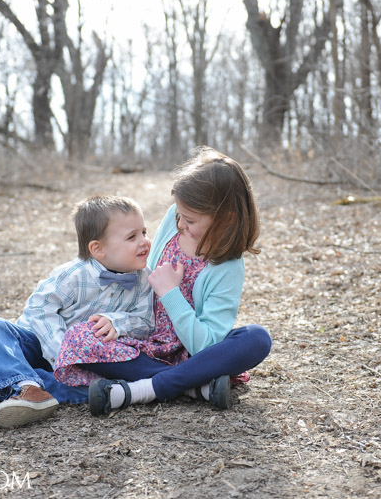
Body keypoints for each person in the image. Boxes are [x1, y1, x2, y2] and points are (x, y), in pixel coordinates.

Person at [82, 146, 272, 415]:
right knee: (83, 337)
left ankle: (143, 390)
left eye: (191, 219)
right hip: (142, 339)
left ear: (225, 219)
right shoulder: (174, 220)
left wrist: (171, 293)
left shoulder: (228, 267)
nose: (181, 223)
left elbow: (205, 345)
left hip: (192, 354)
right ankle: (194, 386)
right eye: (179, 214)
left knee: (257, 338)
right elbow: (141, 271)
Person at [0, 195, 154, 428]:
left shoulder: (144, 279)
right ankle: (25, 387)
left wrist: (117, 322)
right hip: (40, 345)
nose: (144, 241)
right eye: (132, 237)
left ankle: (7, 388)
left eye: (144, 232)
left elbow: (146, 322)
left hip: (86, 362)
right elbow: (39, 310)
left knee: (101, 387)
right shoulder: (72, 275)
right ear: (98, 249)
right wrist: (61, 353)